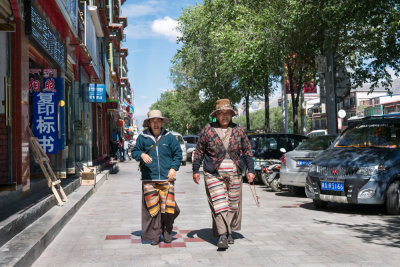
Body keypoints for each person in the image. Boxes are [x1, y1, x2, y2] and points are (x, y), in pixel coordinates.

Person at [192, 98, 255, 249]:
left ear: (231, 115)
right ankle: (222, 236)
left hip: (235, 173)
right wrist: (195, 169)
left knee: (233, 204)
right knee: (219, 203)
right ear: (216, 115)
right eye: (221, 113)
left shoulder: (238, 130)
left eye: (227, 113)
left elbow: (247, 151)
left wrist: (251, 170)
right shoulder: (207, 130)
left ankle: (229, 231)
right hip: (213, 173)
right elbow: (199, 151)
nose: (225, 116)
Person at [132, 110, 182, 245]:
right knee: (153, 209)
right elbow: (134, 151)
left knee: (170, 208)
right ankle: (155, 234)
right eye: (152, 121)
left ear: (161, 122)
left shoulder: (169, 137)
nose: (155, 123)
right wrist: (142, 155)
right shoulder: (142, 137)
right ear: (148, 122)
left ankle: (167, 230)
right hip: (149, 178)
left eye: (158, 121)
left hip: (167, 178)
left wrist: (173, 168)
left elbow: (178, 154)